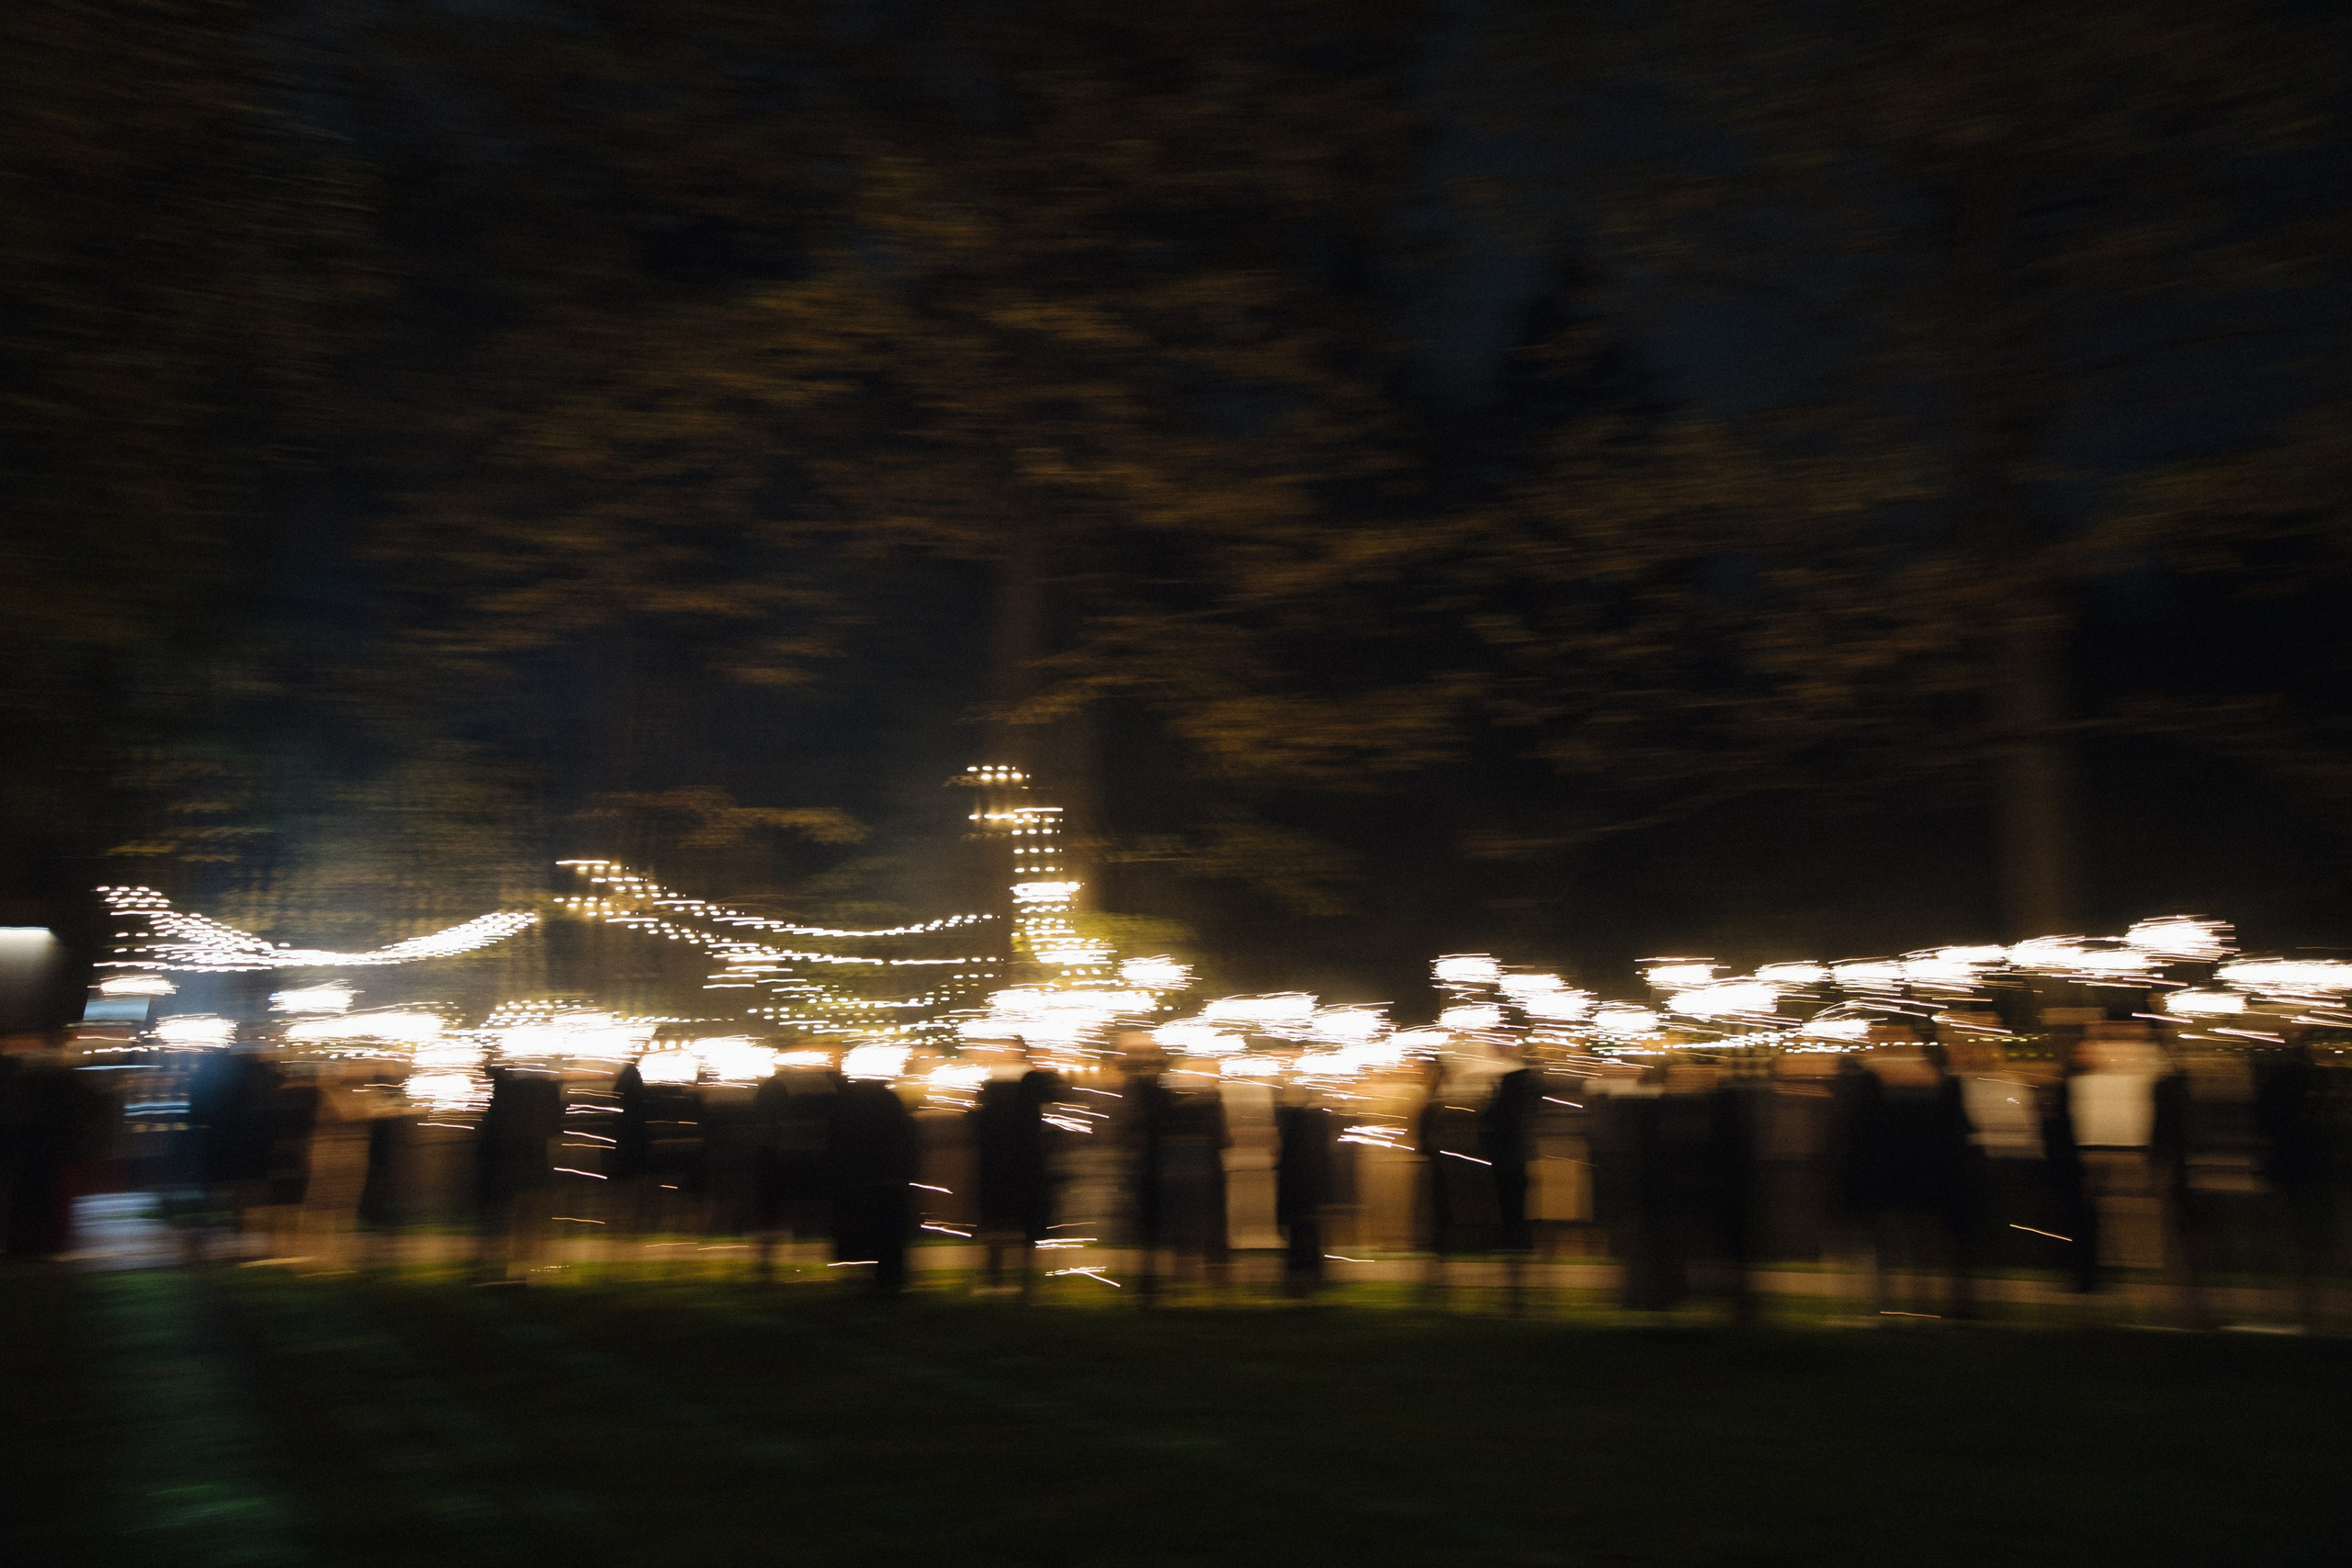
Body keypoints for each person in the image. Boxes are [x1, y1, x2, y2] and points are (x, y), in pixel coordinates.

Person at [970, 1039, 1060, 1296]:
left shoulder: (992, 1088)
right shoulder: (1032, 1085)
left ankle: (995, 1279)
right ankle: (1025, 1283)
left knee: (997, 1222)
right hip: (1025, 1161)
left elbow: (979, 1124)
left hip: (997, 1163)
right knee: (1023, 1222)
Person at [829, 1048, 917, 1294]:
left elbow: (837, 1141)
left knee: (860, 1229)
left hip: (857, 1177)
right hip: (888, 1178)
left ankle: (860, 1277)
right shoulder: (891, 1101)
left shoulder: (848, 1102)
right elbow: (905, 1139)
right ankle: (890, 1281)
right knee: (888, 1234)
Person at [475, 1064, 563, 1283]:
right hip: (530, 1160)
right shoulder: (542, 1087)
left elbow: (493, 1126)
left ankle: (497, 1268)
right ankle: (526, 1268)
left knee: (506, 1216)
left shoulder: (507, 1090)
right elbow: (554, 1126)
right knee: (528, 1214)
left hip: (508, 1161)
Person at [1273, 1076, 1336, 1296]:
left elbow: (1285, 1165)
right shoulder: (1314, 1127)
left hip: (1295, 1190)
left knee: (1298, 1235)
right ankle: (1312, 1279)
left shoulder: (1292, 1128)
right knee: (1309, 1232)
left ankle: (1297, 1281)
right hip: (1308, 1191)